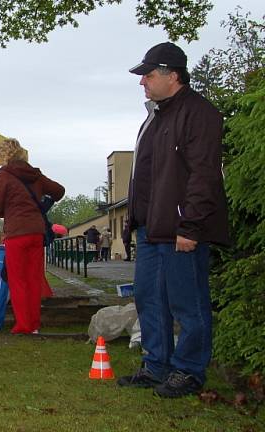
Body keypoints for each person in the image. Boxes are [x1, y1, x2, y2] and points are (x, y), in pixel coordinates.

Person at [117, 42, 229, 398]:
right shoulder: (155, 116)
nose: (142, 82)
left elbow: (204, 175)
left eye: (148, 75)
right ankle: (156, 365)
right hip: (151, 228)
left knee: (188, 302)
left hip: (182, 230)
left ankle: (189, 371)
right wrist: (133, 220)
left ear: (172, 75)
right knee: (149, 298)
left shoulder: (200, 113)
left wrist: (191, 225)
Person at [0, 138, 64, 334]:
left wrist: (7, 208)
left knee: (17, 280)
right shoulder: (35, 174)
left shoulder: (3, 176)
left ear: (3, 155)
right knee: (33, 278)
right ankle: (34, 325)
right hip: (36, 232)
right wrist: (43, 200)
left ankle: (23, 325)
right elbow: (59, 191)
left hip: (16, 233)